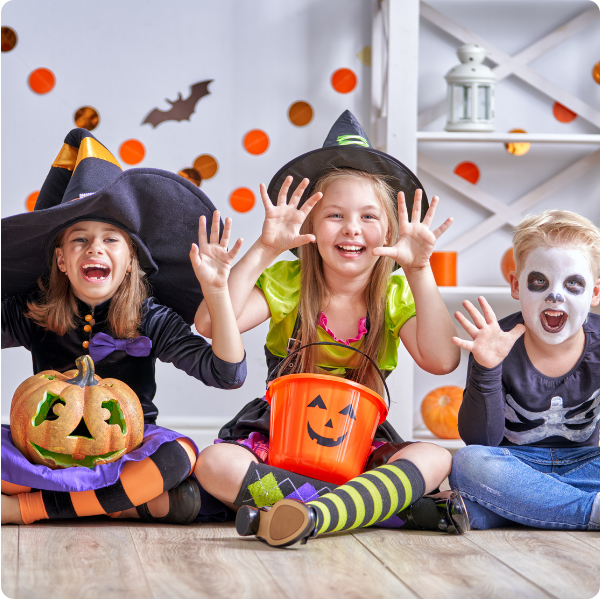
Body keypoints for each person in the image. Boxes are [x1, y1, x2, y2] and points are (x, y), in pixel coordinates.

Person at [194, 111, 468, 547]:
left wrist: (419, 270)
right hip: (279, 440)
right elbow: (210, 322)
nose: (352, 229)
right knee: (214, 463)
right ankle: (373, 511)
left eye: (368, 217)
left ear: (391, 229)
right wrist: (265, 248)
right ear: (312, 227)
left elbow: (442, 360)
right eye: (335, 215)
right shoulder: (288, 282)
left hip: (358, 445)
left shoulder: (394, 293)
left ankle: (305, 513)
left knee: (436, 456)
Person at [1, 128, 246, 525]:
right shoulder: (34, 311)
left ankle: (27, 509)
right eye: (80, 239)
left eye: (110, 239)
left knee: (178, 455)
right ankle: (125, 504)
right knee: (174, 500)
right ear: (61, 259)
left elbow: (228, 374)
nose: (94, 248)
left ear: (131, 260)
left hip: (129, 450)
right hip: (45, 451)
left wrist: (216, 291)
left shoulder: (151, 318)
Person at [449, 210, 600, 531]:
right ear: (517, 286)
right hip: (514, 465)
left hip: (585, 464)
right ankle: (587, 510)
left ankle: (518, 508)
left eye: (573, 284)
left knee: (473, 503)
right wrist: (487, 369)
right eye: (539, 282)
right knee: (467, 463)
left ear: (595, 293)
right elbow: (480, 440)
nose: (555, 295)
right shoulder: (495, 342)